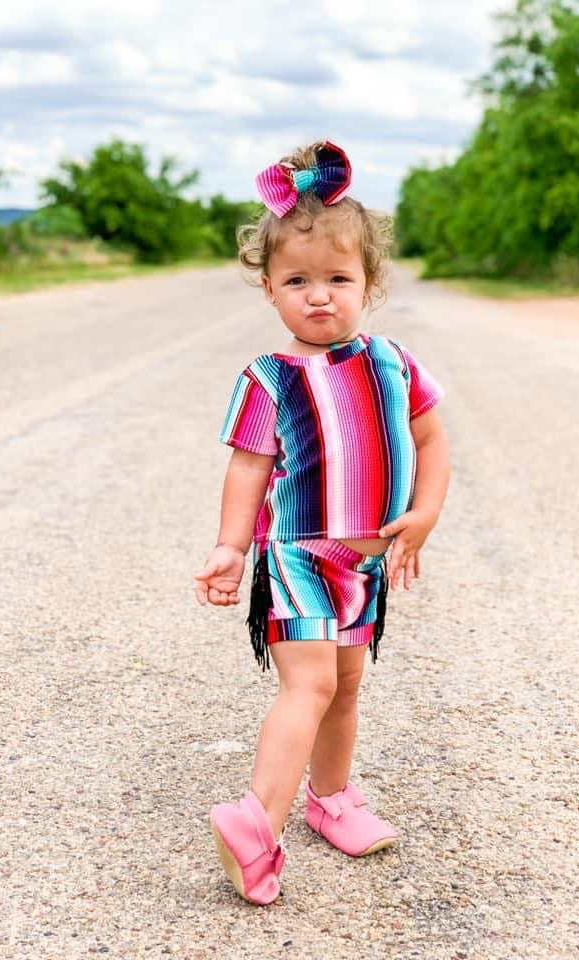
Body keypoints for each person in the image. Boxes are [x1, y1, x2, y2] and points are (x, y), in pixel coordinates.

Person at [194, 141, 450, 905]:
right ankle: (256, 825)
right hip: (300, 556)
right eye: (297, 280)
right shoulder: (268, 378)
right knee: (306, 686)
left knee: (345, 688)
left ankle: (331, 798)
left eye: (338, 279)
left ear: (367, 286)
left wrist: (426, 512)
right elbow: (247, 466)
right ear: (269, 287)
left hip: (363, 564)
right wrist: (229, 548)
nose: (319, 296)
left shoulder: (394, 363)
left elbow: (432, 438)